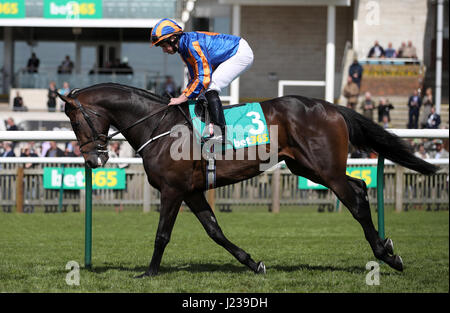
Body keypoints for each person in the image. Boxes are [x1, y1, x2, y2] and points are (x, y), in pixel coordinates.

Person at [150, 18, 254, 145]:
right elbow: (194, 78)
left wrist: (182, 98)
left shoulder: (192, 46)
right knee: (203, 91)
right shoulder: (184, 49)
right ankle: (211, 128)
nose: (164, 50)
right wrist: (184, 96)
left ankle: (221, 133)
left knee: (211, 86)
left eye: (164, 46)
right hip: (232, 52)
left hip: (239, 53)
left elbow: (203, 77)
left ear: (173, 39)